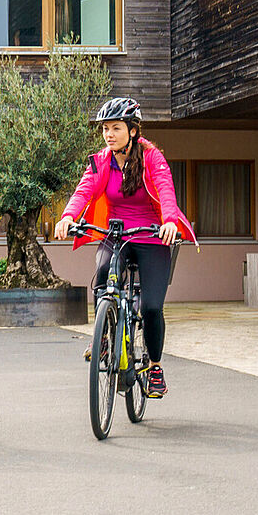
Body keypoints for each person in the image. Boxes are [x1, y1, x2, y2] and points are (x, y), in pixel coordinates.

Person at [54, 98, 197, 398]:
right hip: (116, 234)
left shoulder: (152, 158)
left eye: (116, 128)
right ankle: (105, 335)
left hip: (152, 236)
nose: (109, 134)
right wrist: (68, 215)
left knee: (152, 307)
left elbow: (166, 189)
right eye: (105, 128)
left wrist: (170, 221)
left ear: (132, 131)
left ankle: (155, 367)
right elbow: (84, 190)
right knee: (103, 274)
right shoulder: (101, 160)